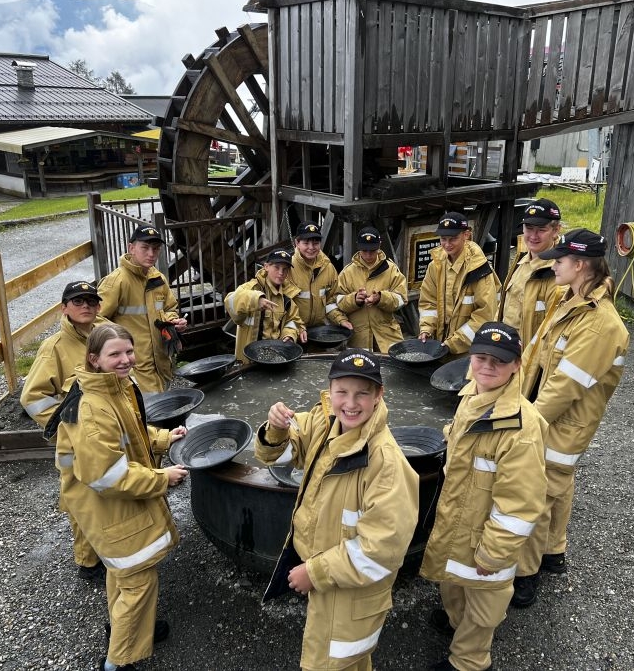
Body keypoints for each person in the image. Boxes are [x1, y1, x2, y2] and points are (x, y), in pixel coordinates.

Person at [255, 349, 420, 671]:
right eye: (342, 392)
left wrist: (314, 573)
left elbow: (383, 549)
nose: (351, 403)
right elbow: (280, 454)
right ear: (330, 391)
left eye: (362, 393)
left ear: (378, 396)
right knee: (351, 662)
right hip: (333, 579)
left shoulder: (386, 464)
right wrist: (274, 428)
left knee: (328, 663)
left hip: (350, 593)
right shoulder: (326, 420)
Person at [55, 323, 189, 671]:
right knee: (138, 582)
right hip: (107, 505)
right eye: (115, 354)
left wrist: (161, 438)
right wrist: (162, 477)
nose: (126, 359)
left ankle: (124, 629)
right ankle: (118, 661)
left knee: (121, 571)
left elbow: (130, 432)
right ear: (94, 358)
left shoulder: (111, 389)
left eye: (129, 352)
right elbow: (106, 475)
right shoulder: (93, 407)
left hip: (104, 503)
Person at [511, 228, 629, 608]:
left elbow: (564, 388)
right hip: (548, 416)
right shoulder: (571, 300)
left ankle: (525, 577)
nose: (553, 265)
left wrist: (523, 422)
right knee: (557, 487)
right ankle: (553, 553)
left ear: (580, 266)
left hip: (561, 425)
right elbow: (536, 357)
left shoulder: (601, 324)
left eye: (559, 260)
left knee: (536, 495)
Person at [420, 322, 547, 671]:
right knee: (454, 580)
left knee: (483, 601)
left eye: (499, 360)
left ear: (518, 365)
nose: (487, 366)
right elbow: (465, 439)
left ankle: (470, 661)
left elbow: (519, 507)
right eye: (480, 357)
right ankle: (454, 621)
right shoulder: (472, 395)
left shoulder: (522, 428)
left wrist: (494, 555)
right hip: (460, 519)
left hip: (486, 536)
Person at [20, 279, 109, 583]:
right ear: (64, 308)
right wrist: (66, 429)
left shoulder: (104, 332)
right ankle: (88, 563)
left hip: (108, 432)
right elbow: (33, 398)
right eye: (77, 301)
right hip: (77, 442)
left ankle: (111, 548)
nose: (86, 306)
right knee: (82, 498)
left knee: (110, 491)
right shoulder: (54, 348)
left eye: (91, 301)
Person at [97, 225, 187, 394]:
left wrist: (173, 321)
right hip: (134, 371)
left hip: (161, 366)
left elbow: (169, 308)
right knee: (146, 415)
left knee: (163, 411)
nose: (151, 254)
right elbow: (96, 320)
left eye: (155, 249)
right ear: (131, 248)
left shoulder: (158, 278)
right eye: (145, 248)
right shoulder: (117, 281)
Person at [418, 212, 501, 357]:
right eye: (443, 239)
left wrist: (453, 343)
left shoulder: (479, 270)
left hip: (469, 353)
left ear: (466, 235)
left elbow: (485, 316)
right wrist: (426, 329)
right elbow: (428, 303)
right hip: (442, 347)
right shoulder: (435, 266)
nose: (447, 244)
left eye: (453, 239)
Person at [499, 198, 563, 348]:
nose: (533, 236)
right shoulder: (522, 258)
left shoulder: (559, 272)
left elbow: (552, 334)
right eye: (529, 228)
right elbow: (505, 307)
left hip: (528, 360)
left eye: (541, 230)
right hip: (506, 352)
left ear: (556, 230)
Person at [224, 248, 306, 363]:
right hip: (248, 361)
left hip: (276, 357)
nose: (281, 273)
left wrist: (290, 335)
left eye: (285, 269)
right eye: (276, 267)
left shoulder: (288, 294)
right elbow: (229, 300)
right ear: (266, 267)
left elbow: (293, 320)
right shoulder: (252, 287)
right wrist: (255, 300)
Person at [335, 226, 408, 352]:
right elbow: (337, 301)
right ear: (358, 247)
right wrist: (354, 300)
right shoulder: (347, 272)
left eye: (372, 250)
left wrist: (381, 298)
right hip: (358, 339)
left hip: (387, 338)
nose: (368, 255)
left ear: (379, 246)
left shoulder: (391, 269)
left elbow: (401, 299)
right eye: (364, 250)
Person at [288, 222, 352, 334]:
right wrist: (296, 330)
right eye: (306, 243)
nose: (311, 248)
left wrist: (340, 320)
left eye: (315, 243)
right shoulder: (287, 268)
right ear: (297, 243)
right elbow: (283, 307)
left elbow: (331, 302)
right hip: (294, 333)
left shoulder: (329, 268)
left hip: (319, 334)